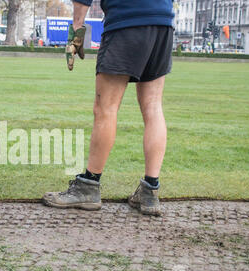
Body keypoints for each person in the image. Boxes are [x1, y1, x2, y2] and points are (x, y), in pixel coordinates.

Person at [43, 0, 175, 216]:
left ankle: (89, 186)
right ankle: (150, 192)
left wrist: (76, 28)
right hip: (163, 23)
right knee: (153, 106)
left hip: (126, 22)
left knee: (106, 107)